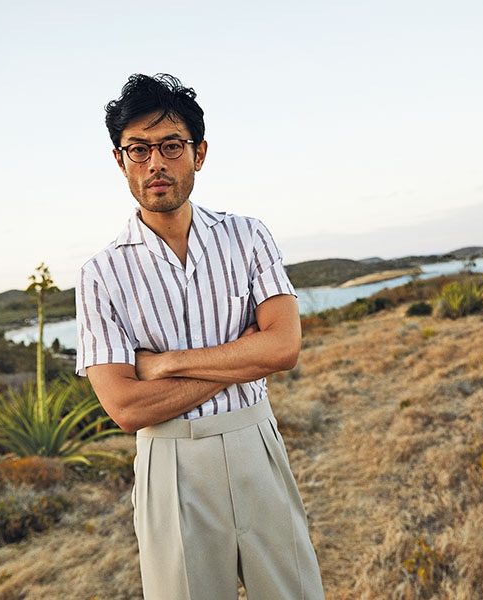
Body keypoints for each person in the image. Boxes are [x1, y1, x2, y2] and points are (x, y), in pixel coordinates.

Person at [75, 73, 325, 599]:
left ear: (199, 152)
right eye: (138, 150)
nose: (155, 163)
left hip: (255, 441)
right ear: (120, 161)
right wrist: (244, 356)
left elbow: (283, 347)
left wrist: (167, 364)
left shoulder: (248, 235)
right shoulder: (100, 274)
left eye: (171, 146)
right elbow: (126, 407)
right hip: (170, 463)